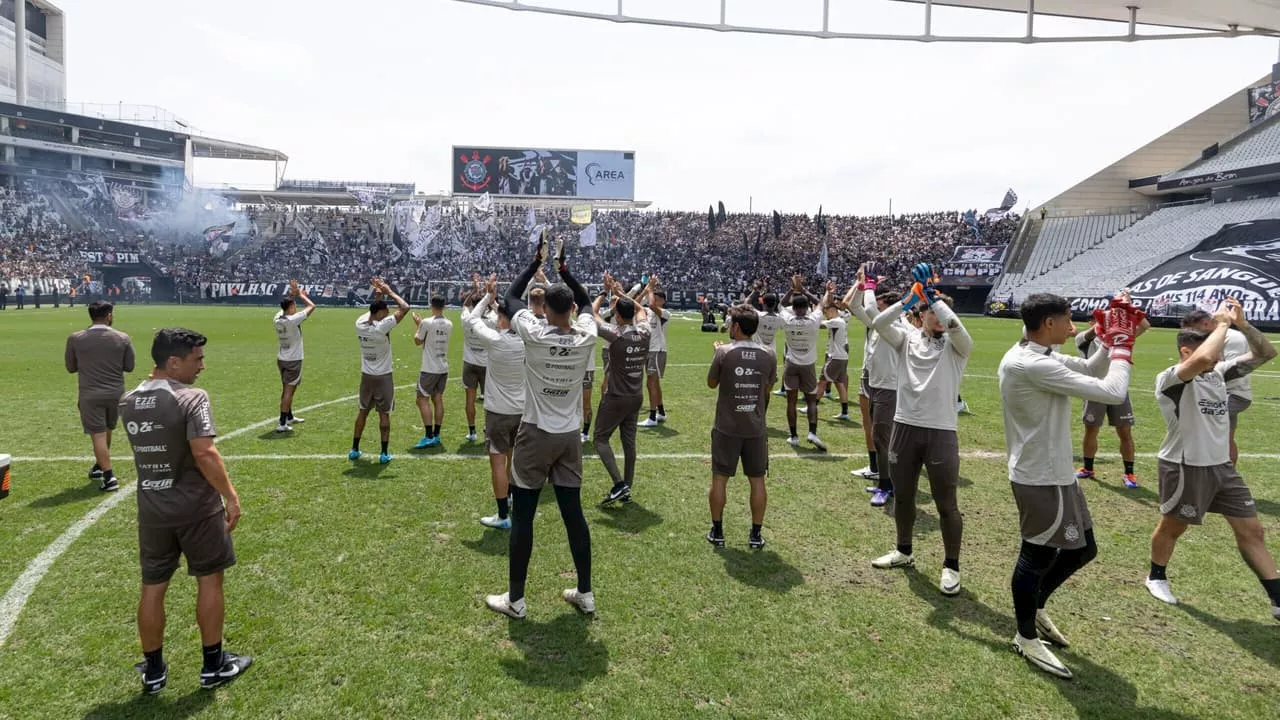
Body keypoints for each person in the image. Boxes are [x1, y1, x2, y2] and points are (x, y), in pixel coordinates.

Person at [998, 292, 1138, 680]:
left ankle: (1036, 607)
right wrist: (1123, 348)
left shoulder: (1040, 354)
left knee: (1083, 549)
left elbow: (1094, 370)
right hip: (1038, 475)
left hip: (1055, 471)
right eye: (1067, 320)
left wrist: (1110, 338)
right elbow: (1112, 391)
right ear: (1048, 325)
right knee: (1036, 556)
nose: (1073, 326)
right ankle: (1025, 636)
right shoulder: (1029, 363)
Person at [120, 327, 251, 695]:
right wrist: (230, 495)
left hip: (152, 510)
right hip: (196, 508)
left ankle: (154, 670)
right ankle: (213, 665)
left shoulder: (128, 401)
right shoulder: (192, 397)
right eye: (197, 359)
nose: (202, 367)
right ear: (173, 362)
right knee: (209, 579)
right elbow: (204, 452)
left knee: (152, 587)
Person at [1146, 297, 1280, 621]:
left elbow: (1266, 353)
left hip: (1221, 467)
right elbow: (1205, 355)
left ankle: (1277, 599)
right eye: (1212, 351)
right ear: (1185, 352)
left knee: (1252, 530)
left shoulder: (1218, 374)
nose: (1218, 357)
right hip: (1185, 465)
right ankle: (1156, 576)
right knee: (1173, 526)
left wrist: (1243, 325)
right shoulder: (1172, 378)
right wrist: (1221, 324)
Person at [485, 238, 597, 620]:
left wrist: (536, 261)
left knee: (524, 517)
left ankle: (516, 600)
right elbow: (584, 302)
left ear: (545, 309)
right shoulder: (587, 334)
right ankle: (585, 592)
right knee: (574, 516)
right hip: (569, 437)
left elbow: (511, 297)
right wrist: (564, 269)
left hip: (534, 433)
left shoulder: (532, 332)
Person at [869, 264, 970, 595]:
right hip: (904, 427)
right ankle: (904, 550)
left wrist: (936, 299)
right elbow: (879, 321)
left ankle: (951, 566)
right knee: (905, 496)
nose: (938, 317)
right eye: (930, 311)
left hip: (940, 432)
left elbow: (960, 331)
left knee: (946, 503)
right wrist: (909, 299)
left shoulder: (956, 346)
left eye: (941, 311)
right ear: (920, 314)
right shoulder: (907, 339)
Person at [706, 305, 777, 549]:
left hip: (727, 426)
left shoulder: (724, 352)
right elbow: (767, 388)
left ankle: (717, 531)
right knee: (757, 481)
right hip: (755, 427)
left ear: (736, 327)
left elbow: (711, 383)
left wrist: (718, 355)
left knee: (719, 479)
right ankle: (756, 535)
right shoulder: (769, 354)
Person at [464, 275, 526, 530]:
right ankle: (512, 501)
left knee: (498, 461)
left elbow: (471, 319)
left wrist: (488, 296)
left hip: (498, 412)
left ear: (502, 319)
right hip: (522, 410)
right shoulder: (528, 341)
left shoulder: (495, 340)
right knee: (514, 459)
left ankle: (503, 515)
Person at [1074, 294, 1146, 488]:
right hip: (1094, 389)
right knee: (1091, 430)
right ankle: (1088, 468)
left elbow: (1145, 325)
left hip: (1118, 388)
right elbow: (1090, 333)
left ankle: (1129, 474)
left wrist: (1128, 306)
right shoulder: (1083, 339)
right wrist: (1106, 320)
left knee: (1125, 432)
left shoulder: (1120, 336)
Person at [848, 265, 906, 507]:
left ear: (886, 305)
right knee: (879, 436)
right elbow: (854, 306)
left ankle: (887, 486)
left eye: (879, 300)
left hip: (889, 388)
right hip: (876, 385)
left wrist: (870, 284)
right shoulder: (878, 323)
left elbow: (869, 308)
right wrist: (862, 286)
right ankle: (886, 481)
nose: (876, 303)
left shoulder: (896, 324)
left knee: (883, 439)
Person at [592, 272, 650, 506]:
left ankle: (618, 484)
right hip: (636, 395)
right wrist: (621, 294)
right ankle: (628, 485)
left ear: (616, 315)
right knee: (629, 444)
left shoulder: (615, 334)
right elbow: (641, 311)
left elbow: (591, 315)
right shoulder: (645, 332)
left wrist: (605, 293)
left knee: (599, 438)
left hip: (616, 396)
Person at [65, 300, 136, 491]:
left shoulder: (76, 338)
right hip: (116, 393)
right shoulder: (122, 338)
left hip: (90, 393)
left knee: (98, 434)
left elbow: (71, 367)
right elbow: (129, 366)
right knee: (107, 429)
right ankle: (100, 465)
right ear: (109, 315)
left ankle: (109, 476)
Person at [1180, 308, 1253, 465]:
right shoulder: (1213, 338)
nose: (1192, 335)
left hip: (1233, 393)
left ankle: (1211, 471)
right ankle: (1228, 475)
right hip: (1221, 391)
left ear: (1206, 323)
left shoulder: (1233, 338)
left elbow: (1236, 368)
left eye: (1194, 329)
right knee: (1227, 439)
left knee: (1203, 428)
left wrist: (1202, 374)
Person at [351, 279, 410, 464]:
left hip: (366, 375)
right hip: (383, 376)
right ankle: (384, 453)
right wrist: (389, 291)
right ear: (380, 314)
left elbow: (371, 311)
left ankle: (354, 449)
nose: (388, 314)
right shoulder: (382, 327)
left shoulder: (360, 323)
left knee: (363, 412)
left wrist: (378, 295)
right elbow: (405, 307)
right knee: (384, 414)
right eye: (385, 312)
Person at [779, 275, 826, 451]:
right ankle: (812, 432)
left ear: (794, 308)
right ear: (807, 308)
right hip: (809, 364)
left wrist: (792, 288)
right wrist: (804, 289)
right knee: (811, 401)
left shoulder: (788, 320)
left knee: (791, 402)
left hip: (791, 363)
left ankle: (794, 436)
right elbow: (820, 303)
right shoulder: (813, 321)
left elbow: (781, 305)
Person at [272, 284, 316, 433]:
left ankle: (289, 416)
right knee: (289, 392)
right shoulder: (293, 320)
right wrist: (301, 295)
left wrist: (292, 294)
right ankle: (282, 422)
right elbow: (312, 306)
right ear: (290, 308)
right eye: (294, 306)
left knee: (286, 389)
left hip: (282, 358)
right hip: (293, 360)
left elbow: (285, 307)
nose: (296, 308)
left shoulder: (278, 318)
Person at [412, 296, 452, 448]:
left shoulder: (427, 323)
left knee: (421, 399)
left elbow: (417, 340)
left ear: (431, 305)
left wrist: (418, 324)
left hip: (429, 368)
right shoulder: (449, 323)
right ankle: (437, 435)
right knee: (438, 399)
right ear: (445, 306)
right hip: (442, 367)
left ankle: (429, 435)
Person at [812, 282, 852, 421]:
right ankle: (845, 412)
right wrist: (829, 292)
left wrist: (814, 315)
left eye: (826, 312)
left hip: (834, 357)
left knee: (821, 382)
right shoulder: (839, 320)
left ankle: (812, 406)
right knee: (840, 385)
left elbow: (817, 325)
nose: (825, 314)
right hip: (842, 357)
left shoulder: (836, 321)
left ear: (832, 310)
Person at [460, 281, 493, 443]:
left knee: (469, 399)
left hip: (469, 363)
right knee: (489, 400)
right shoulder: (491, 320)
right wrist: (489, 295)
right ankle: (487, 429)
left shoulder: (466, 319)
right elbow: (497, 308)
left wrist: (474, 289)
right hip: (487, 364)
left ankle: (472, 431)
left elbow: (465, 305)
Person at [638, 277, 672, 428]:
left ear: (662, 301)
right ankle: (661, 412)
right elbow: (636, 305)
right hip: (649, 351)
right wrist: (645, 291)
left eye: (656, 298)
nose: (651, 299)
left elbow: (650, 304)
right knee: (654, 383)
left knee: (651, 383)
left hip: (657, 351)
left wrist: (650, 289)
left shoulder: (664, 314)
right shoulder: (647, 311)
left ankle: (652, 417)